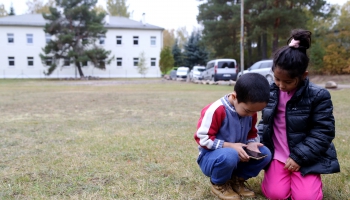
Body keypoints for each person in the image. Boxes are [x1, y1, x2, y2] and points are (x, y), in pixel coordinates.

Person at [258, 29, 340, 200]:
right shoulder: (271, 92)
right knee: (276, 194)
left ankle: (308, 182)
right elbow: (264, 123)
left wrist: (299, 157)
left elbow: (323, 132)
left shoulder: (318, 96)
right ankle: (276, 178)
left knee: (306, 197)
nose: (280, 85)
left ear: (303, 76)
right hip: (278, 155)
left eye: (287, 82)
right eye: (277, 79)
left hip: (305, 157)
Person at [194, 73, 272, 200]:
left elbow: (252, 133)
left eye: (255, 111)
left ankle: (236, 180)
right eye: (248, 111)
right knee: (230, 154)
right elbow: (202, 138)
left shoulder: (250, 111)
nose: (252, 115)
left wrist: (252, 143)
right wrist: (230, 146)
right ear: (234, 96)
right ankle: (219, 183)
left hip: (238, 156)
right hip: (212, 157)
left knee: (265, 153)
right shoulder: (216, 110)